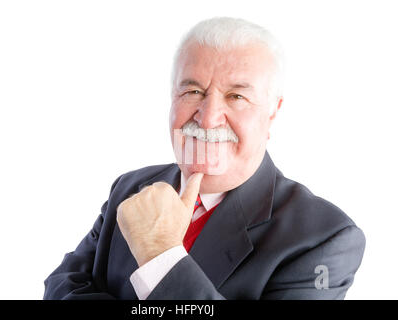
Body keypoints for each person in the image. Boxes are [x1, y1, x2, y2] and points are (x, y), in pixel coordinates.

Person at [43, 17, 365, 300]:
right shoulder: (130, 188)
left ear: (272, 113)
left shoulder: (324, 237)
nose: (208, 118)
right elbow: (59, 286)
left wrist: (161, 256)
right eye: (193, 91)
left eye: (236, 96)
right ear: (172, 97)